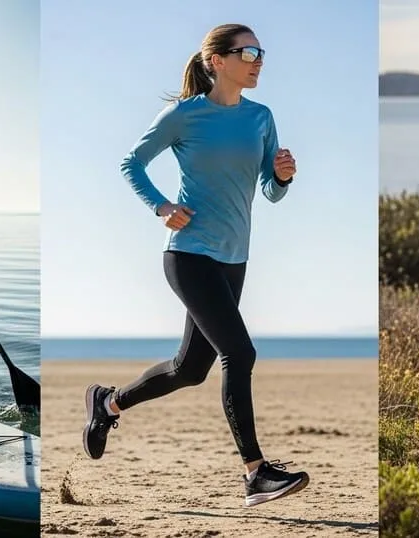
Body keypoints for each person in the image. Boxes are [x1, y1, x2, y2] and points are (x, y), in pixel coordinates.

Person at [82, 23, 309, 507]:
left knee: (190, 370)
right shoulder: (184, 115)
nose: (258, 60)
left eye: (261, 52)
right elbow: (131, 163)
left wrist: (284, 177)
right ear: (217, 61)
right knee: (240, 353)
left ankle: (108, 402)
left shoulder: (261, 118)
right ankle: (255, 474)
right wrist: (162, 206)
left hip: (234, 259)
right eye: (248, 52)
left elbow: (270, 192)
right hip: (189, 254)